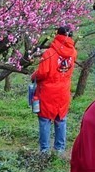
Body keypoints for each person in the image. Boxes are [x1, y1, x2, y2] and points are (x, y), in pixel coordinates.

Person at [32, 25, 77, 154]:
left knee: (45, 120)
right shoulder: (73, 52)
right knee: (61, 119)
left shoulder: (49, 53)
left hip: (48, 91)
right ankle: (59, 149)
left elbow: (42, 73)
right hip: (63, 90)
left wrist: (34, 76)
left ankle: (45, 150)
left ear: (57, 35)